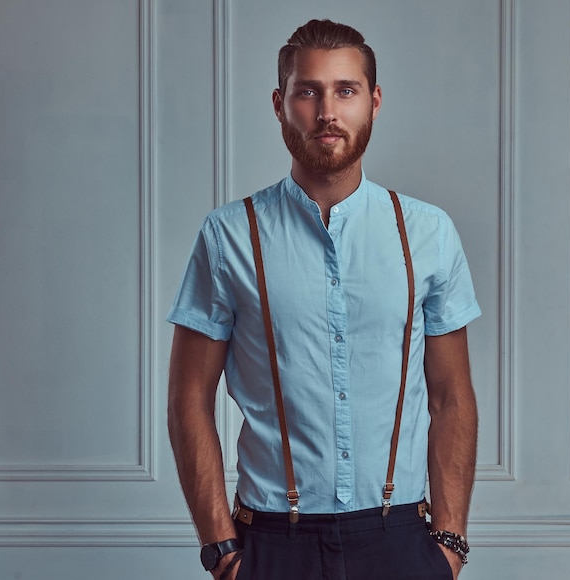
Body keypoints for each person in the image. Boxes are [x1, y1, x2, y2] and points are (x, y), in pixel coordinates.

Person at [167, 19, 481, 580]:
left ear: (374, 101)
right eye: (307, 91)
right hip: (271, 545)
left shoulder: (429, 233)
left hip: (401, 542)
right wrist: (220, 549)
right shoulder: (228, 236)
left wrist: (449, 540)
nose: (326, 111)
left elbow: (451, 397)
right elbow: (189, 398)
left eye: (346, 90)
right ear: (280, 103)